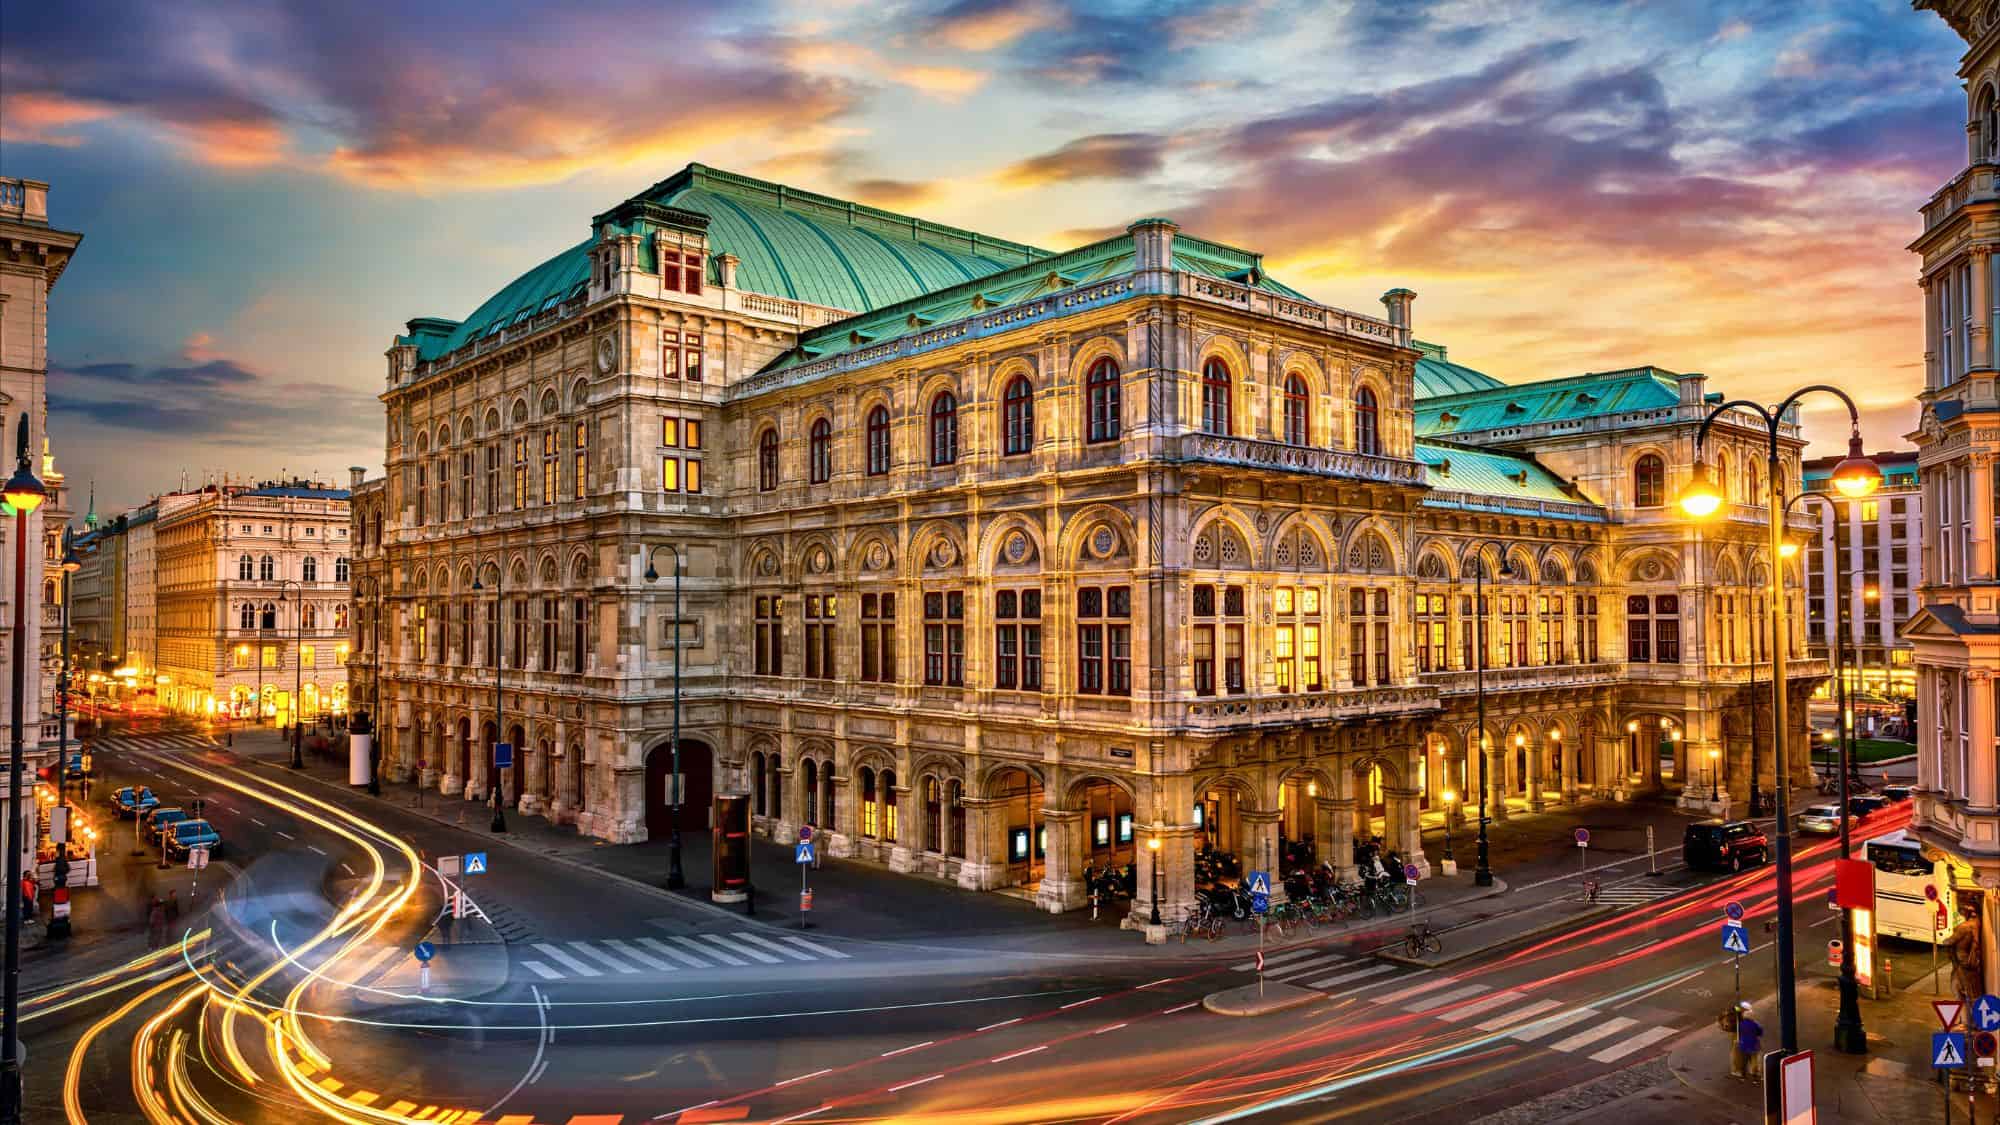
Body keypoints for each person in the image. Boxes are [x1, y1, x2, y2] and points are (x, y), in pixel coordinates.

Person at [1730, 1001, 1762, 1081]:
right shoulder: (1754, 1023)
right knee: (1754, 1057)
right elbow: (1760, 1032)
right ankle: (1754, 1071)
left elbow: (1734, 1009)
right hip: (1753, 1043)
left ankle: (1740, 1071)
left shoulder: (1740, 1023)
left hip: (1742, 1042)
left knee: (1741, 1058)